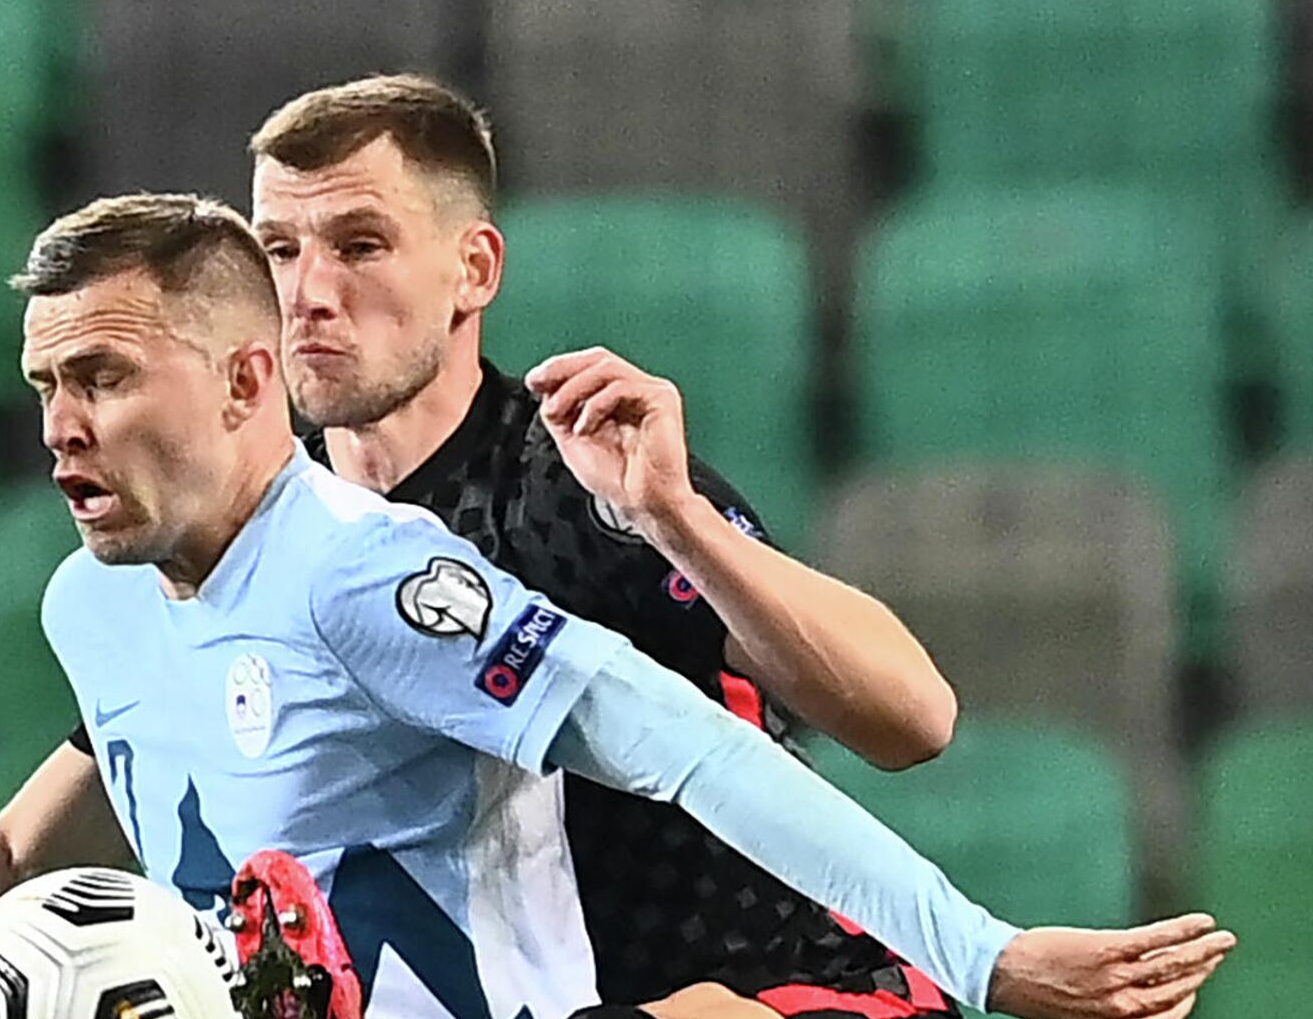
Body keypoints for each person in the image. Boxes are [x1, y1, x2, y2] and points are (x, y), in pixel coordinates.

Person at [0, 196, 1233, 1019]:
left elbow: (688, 748)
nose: (58, 424)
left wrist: (989, 957)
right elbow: (24, 860)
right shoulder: (97, 610)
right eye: (41, 383)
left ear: (243, 380)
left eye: (100, 375)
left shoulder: (369, 580)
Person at [242, 72, 953, 1015]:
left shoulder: (576, 483)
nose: (308, 294)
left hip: (790, 991)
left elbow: (914, 719)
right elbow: (31, 836)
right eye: (278, 250)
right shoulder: (255, 536)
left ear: (475, 270)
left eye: (360, 245)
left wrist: (678, 521)